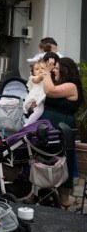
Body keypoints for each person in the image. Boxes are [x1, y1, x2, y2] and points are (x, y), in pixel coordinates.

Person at [41, 55, 84, 209]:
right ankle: (45, 193)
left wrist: (46, 71)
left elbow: (50, 91)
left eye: (58, 68)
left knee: (63, 161)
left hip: (63, 129)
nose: (54, 71)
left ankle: (64, 202)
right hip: (50, 127)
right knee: (47, 158)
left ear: (66, 70)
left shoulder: (71, 86)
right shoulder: (59, 83)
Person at [24, 60, 47, 126]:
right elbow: (37, 80)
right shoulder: (33, 78)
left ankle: (28, 125)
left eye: (42, 68)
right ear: (33, 73)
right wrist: (42, 76)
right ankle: (26, 125)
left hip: (40, 99)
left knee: (38, 112)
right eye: (37, 69)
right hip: (35, 99)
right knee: (38, 111)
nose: (40, 70)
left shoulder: (46, 77)